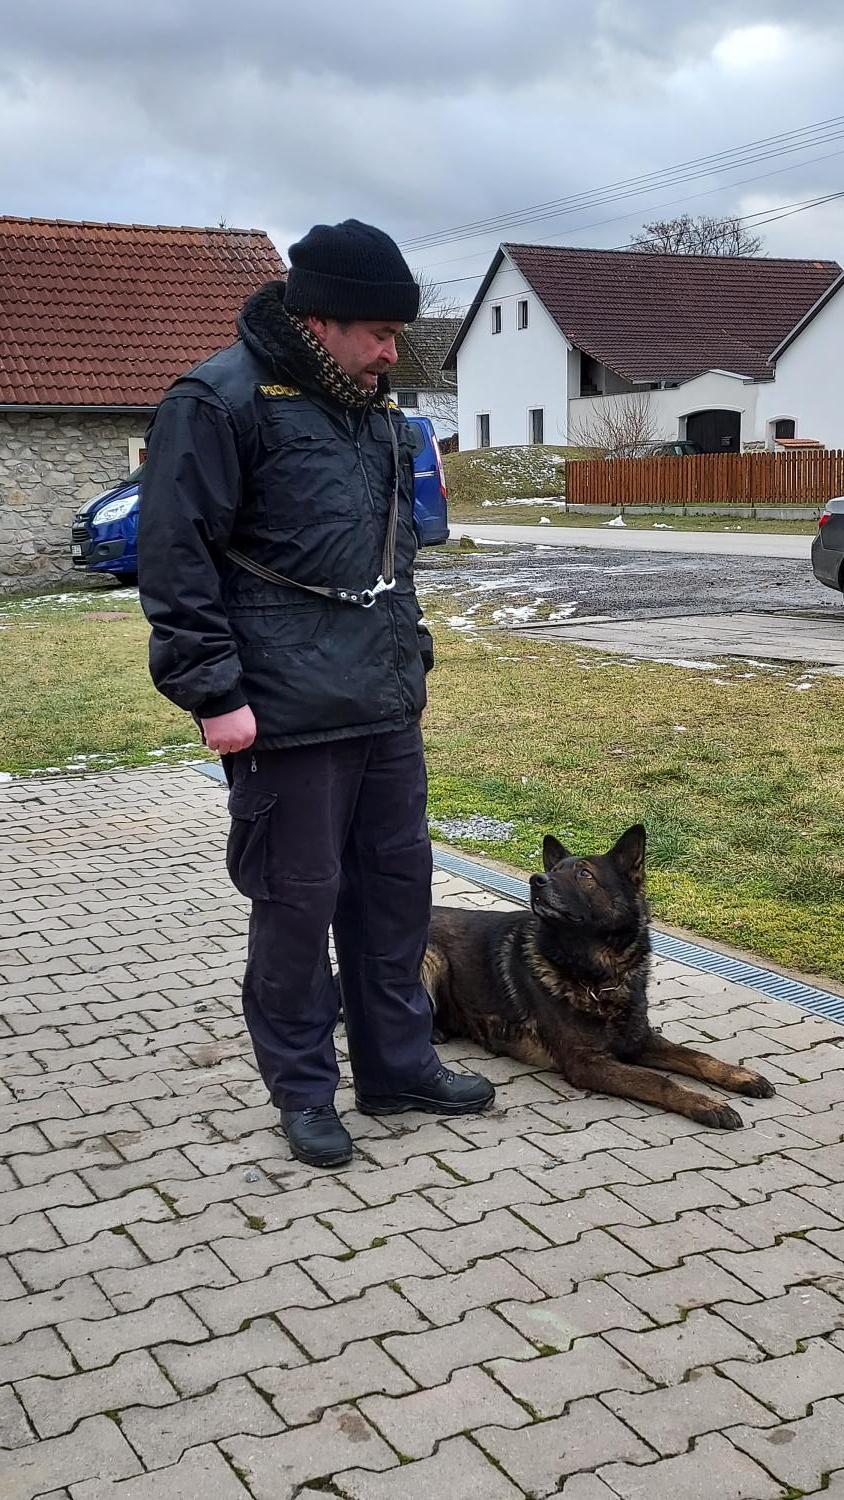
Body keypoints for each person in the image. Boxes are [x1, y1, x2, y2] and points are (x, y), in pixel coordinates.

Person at [138, 219, 494, 1168]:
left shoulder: (373, 412)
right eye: (380, 334)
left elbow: (395, 555)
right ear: (320, 320)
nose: (392, 354)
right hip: (281, 712)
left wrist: (412, 661)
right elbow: (176, 561)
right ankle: (303, 1091)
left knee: (394, 900)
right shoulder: (218, 401)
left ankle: (398, 1067)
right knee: (296, 912)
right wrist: (213, 692)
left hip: (382, 704)